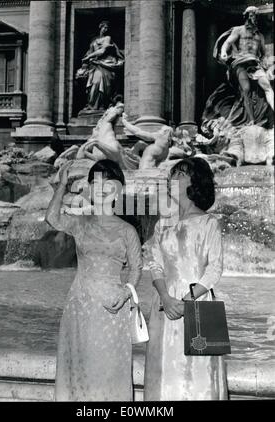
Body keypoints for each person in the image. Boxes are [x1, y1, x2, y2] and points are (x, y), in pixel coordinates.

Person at [45, 159, 143, 401]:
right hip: (79, 307)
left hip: (113, 308)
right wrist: (61, 187)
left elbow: (136, 268)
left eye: (106, 182)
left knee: (109, 371)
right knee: (78, 370)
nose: (99, 187)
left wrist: (127, 292)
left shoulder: (127, 231)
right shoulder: (81, 222)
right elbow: (52, 218)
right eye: (94, 182)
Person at [144, 157, 228, 400]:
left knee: (198, 378)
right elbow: (155, 264)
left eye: (180, 175)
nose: (172, 179)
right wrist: (166, 298)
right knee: (165, 371)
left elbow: (214, 269)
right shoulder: (162, 225)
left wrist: (184, 301)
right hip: (164, 304)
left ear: (194, 182)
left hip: (199, 302)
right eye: (173, 175)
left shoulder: (210, 222)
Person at [203, 6, 274, 128]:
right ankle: (251, 120)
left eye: (256, 16)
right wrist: (224, 52)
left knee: (267, 87)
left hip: (254, 64)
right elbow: (228, 43)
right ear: (246, 16)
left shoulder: (260, 36)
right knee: (245, 89)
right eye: (252, 15)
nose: (254, 18)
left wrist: (269, 68)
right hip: (240, 62)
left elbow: (263, 55)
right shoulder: (239, 30)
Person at [76, 21, 124, 111]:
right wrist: (84, 65)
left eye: (107, 28)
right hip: (93, 66)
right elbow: (89, 53)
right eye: (104, 27)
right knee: (93, 83)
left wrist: (89, 57)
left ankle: (101, 105)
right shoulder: (94, 40)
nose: (106, 29)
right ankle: (92, 105)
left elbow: (102, 51)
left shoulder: (108, 38)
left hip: (105, 65)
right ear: (100, 27)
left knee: (99, 82)